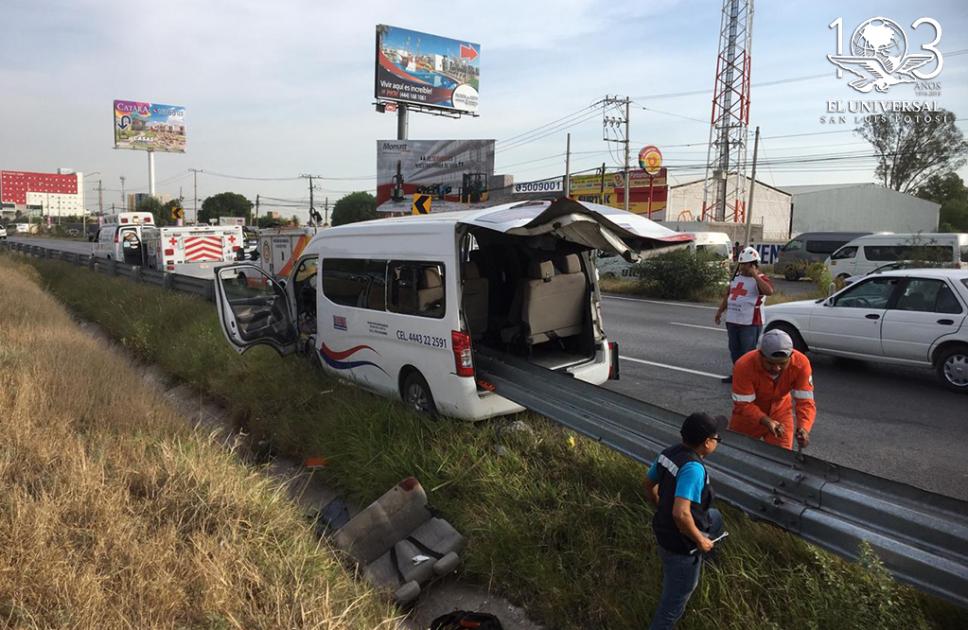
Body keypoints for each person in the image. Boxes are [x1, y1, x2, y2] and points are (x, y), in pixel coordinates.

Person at [644, 412, 726, 630]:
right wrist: (700, 540)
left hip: (663, 530)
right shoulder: (693, 469)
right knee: (672, 606)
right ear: (707, 442)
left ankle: (708, 561)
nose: (717, 442)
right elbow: (681, 514)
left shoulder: (669, 453)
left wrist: (658, 502)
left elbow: (647, 482)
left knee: (715, 518)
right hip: (681, 546)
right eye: (717, 438)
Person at [729, 329, 816, 451]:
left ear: (791, 356)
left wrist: (804, 428)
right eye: (770, 363)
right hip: (748, 417)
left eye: (782, 363)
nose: (776, 368)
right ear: (760, 354)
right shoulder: (743, 365)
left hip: (780, 413)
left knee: (781, 458)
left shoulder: (801, 364)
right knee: (737, 453)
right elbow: (743, 405)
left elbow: (805, 402)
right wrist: (765, 420)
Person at [715, 246, 774, 383]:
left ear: (753, 264)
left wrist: (754, 275)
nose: (741, 267)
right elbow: (728, 296)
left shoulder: (761, 278)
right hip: (733, 320)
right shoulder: (736, 278)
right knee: (734, 349)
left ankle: (749, 378)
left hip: (750, 322)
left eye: (745, 265)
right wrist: (719, 312)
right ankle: (738, 373)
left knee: (748, 352)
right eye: (740, 264)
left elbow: (769, 291)